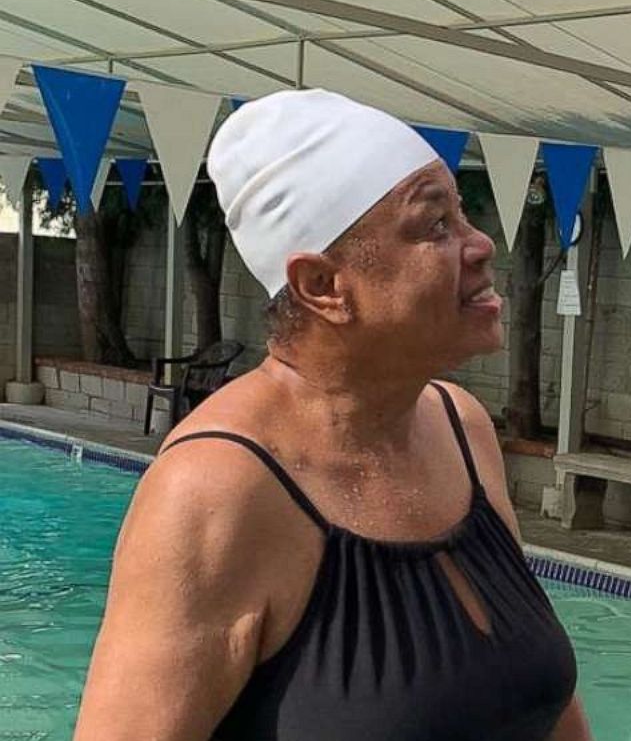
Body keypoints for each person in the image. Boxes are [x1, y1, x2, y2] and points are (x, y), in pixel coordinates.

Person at [75, 89, 593, 741]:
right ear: (322, 286)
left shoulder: (460, 427)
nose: (482, 243)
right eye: (435, 225)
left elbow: (542, 707)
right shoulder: (215, 492)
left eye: (461, 215)